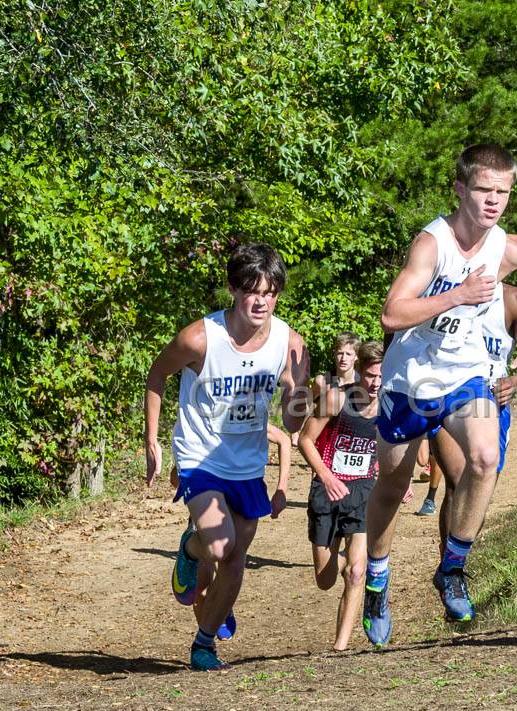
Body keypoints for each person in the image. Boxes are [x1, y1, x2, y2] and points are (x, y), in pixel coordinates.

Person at [362, 143, 517, 646]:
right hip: (411, 380)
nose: (493, 202)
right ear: (459, 189)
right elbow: (391, 314)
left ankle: (452, 567)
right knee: (391, 483)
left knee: (485, 456)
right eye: (483, 191)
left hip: (465, 375)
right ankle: (377, 579)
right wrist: (457, 295)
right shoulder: (433, 244)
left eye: (503, 192)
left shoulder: (505, 245)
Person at [144, 243, 310, 670]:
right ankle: (193, 546)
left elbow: (293, 426)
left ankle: (203, 644)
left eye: (271, 292)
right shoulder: (201, 338)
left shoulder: (290, 344)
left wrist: (298, 396)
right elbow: (158, 372)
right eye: (253, 290)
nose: (262, 301)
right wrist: (153, 439)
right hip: (200, 456)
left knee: (236, 560)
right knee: (220, 546)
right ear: (233, 289)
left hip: (248, 463)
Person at [431, 284, 517, 551]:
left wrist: (516, 382)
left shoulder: (515, 301)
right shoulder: (447, 289)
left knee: (480, 489)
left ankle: (457, 560)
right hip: (450, 396)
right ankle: (449, 571)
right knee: (457, 482)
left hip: (492, 404)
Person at [168, 421, 291, 643]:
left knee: (229, 564)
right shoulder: (197, 423)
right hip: (204, 516)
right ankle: (206, 642)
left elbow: (283, 439)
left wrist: (281, 488)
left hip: (239, 503)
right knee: (201, 584)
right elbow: (175, 477)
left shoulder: (245, 421)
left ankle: (220, 606)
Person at [297, 341, 384, 651]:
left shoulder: (389, 405)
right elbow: (306, 440)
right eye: (371, 376)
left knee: (356, 572)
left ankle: (340, 648)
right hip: (328, 488)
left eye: (381, 376)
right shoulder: (335, 399)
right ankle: (341, 557)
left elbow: (395, 445)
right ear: (359, 372)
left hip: (364, 489)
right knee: (325, 579)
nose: (376, 383)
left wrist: (397, 481)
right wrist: (326, 475)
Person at [294, 332, 361, 447]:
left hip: (351, 436)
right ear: (334, 354)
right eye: (340, 353)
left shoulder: (362, 382)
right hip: (324, 433)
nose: (343, 358)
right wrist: (295, 431)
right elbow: (306, 403)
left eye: (348, 354)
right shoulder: (323, 382)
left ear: (356, 357)